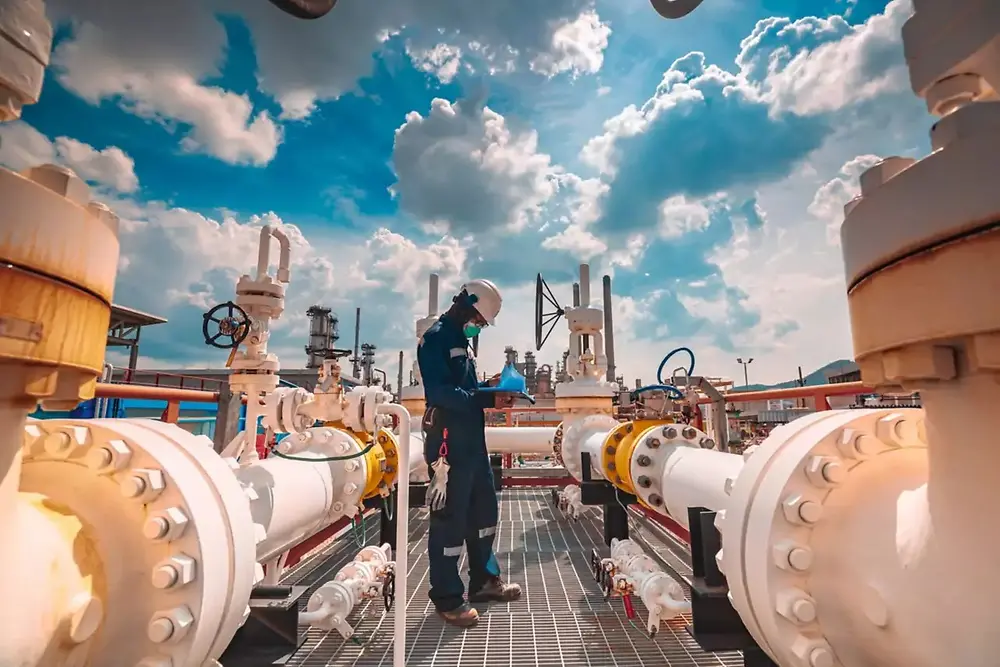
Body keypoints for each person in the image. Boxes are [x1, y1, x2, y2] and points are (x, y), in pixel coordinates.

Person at [417, 278, 522, 627]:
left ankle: (485, 583)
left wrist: (491, 388)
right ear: (465, 304)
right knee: (449, 520)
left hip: (472, 442)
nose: (479, 326)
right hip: (447, 441)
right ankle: (447, 597)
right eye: (478, 319)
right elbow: (441, 393)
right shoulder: (435, 340)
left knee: (483, 513)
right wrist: (485, 399)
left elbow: (465, 388)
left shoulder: (463, 341)